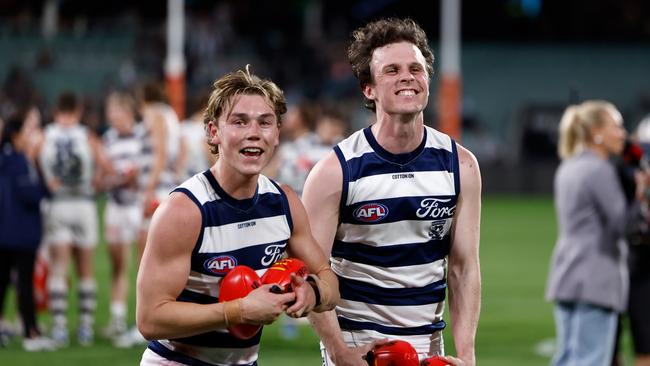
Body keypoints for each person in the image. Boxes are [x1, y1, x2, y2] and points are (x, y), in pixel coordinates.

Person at [302, 18, 482, 366]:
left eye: (416, 68)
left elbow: (463, 268)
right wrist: (339, 352)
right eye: (392, 70)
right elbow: (314, 274)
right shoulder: (335, 171)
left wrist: (468, 355)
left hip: (431, 348)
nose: (407, 77)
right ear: (368, 89)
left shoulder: (461, 165)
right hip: (361, 349)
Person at [136, 65, 340, 366]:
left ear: (277, 134)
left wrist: (311, 293)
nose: (254, 134)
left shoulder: (284, 203)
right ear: (213, 131)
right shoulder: (185, 210)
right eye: (240, 122)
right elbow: (150, 319)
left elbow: (330, 283)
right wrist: (239, 311)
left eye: (264, 123)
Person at [546, 100, 628, 366]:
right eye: (616, 126)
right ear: (597, 132)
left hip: (567, 273)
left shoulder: (569, 166)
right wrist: (642, 195)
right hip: (596, 277)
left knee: (567, 358)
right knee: (590, 360)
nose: (622, 133)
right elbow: (623, 224)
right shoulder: (599, 170)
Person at [39, 92, 107, 346]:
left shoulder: (46, 135)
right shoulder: (87, 135)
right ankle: (86, 328)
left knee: (59, 266)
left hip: (57, 204)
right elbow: (104, 163)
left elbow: (33, 156)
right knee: (85, 268)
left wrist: (47, 181)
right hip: (84, 204)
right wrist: (96, 180)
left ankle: (58, 328)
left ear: (57, 110)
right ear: (77, 110)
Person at [0, 107, 56, 351]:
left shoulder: (5, 158)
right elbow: (28, 194)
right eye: (26, 131)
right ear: (16, 135)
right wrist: (48, 188)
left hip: (6, 232)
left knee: (2, 283)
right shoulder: (19, 160)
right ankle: (30, 333)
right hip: (20, 233)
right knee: (24, 285)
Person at [100, 91, 145, 346]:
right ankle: (117, 317)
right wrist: (114, 177)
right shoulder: (108, 138)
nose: (112, 116)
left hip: (137, 207)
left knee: (143, 266)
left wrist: (118, 176)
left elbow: (139, 173)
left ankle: (141, 319)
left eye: (116, 111)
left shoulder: (142, 135)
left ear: (128, 112)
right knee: (117, 263)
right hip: (116, 205)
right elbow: (103, 175)